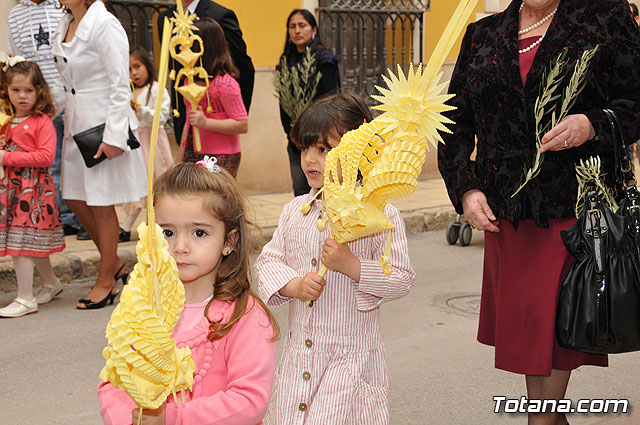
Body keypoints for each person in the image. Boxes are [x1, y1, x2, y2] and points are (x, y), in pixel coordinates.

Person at [437, 1, 640, 424]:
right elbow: (453, 125)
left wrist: (592, 123)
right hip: (508, 219)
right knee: (536, 352)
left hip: (574, 216)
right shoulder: (482, 33)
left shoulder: (604, 16)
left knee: (546, 384)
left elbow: (634, 101)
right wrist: (467, 187)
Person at [255, 93, 415, 424]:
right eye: (305, 148)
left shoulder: (380, 213)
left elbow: (401, 277)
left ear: (362, 150)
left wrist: (351, 266)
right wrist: (294, 285)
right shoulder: (294, 212)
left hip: (350, 364)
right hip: (301, 359)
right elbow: (267, 262)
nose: (311, 159)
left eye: (325, 150)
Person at [98, 161, 278, 425]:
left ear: (229, 241)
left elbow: (249, 401)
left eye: (199, 232)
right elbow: (113, 381)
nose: (180, 246)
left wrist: (171, 418)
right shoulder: (141, 309)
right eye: (167, 232)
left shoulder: (244, 316)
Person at [53, 0, 147, 309]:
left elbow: (120, 85)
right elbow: (66, 80)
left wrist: (114, 136)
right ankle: (115, 264)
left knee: (101, 202)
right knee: (74, 197)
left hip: (103, 123)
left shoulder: (105, 23)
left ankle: (106, 281)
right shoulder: (66, 21)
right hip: (75, 121)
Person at [7, 0, 87, 240]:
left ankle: (86, 219)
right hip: (41, 104)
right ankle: (65, 218)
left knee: (81, 161)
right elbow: (19, 60)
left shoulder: (62, 7)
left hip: (72, 98)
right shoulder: (15, 14)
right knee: (52, 164)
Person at [0, 60, 65, 318]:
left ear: (39, 90)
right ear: (7, 91)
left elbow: (45, 157)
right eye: (16, 90)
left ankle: (25, 298)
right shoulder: (6, 120)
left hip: (34, 192)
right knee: (29, 242)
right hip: (12, 191)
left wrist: (5, 157)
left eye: (28, 90)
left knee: (21, 243)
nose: (22, 96)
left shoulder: (41, 122)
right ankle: (52, 283)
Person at [157, 0, 254, 146]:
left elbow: (243, 67)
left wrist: (235, 114)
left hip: (215, 116)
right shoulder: (164, 18)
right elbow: (173, 65)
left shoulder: (220, 15)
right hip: (184, 110)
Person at [278, 9, 340, 196]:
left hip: (321, 138)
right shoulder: (285, 61)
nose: (297, 30)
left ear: (313, 29)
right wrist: (292, 132)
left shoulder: (324, 59)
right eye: (292, 26)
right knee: (301, 190)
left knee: (323, 188)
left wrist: (317, 133)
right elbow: (283, 101)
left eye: (302, 25)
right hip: (296, 140)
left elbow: (330, 99)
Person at [178, 18, 248, 177]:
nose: (181, 48)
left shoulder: (226, 84)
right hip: (193, 152)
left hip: (222, 157)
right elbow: (189, 122)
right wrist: (180, 157)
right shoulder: (188, 80)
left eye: (187, 43)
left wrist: (206, 122)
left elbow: (242, 124)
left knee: (218, 199)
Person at [119, 47, 173, 243]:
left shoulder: (156, 89)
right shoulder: (126, 91)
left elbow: (161, 115)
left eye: (137, 67)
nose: (134, 73)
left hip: (153, 143)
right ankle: (126, 225)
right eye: (129, 69)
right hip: (136, 143)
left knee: (157, 183)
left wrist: (140, 110)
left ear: (147, 66)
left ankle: (157, 224)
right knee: (138, 183)